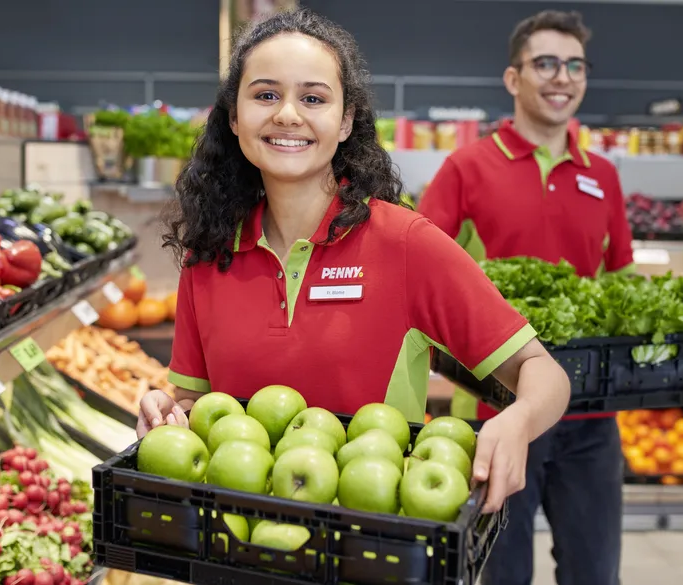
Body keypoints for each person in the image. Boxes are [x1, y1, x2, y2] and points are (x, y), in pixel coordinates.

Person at [135, 8, 571, 514]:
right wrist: (168, 415)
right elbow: (197, 405)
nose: (288, 115)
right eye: (266, 95)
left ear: (345, 122)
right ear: (234, 117)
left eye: (313, 98)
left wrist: (516, 422)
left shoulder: (405, 243)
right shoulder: (208, 254)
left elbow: (544, 373)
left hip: (374, 543)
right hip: (239, 541)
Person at [418, 10, 632, 585]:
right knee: (499, 572)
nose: (562, 77)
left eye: (575, 66)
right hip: (497, 409)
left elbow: (620, 282)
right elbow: (419, 271)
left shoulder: (603, 176)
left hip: (592, 412)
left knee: (594, 572)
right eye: (546, 63)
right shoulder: (465, 168)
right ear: (514, 79)